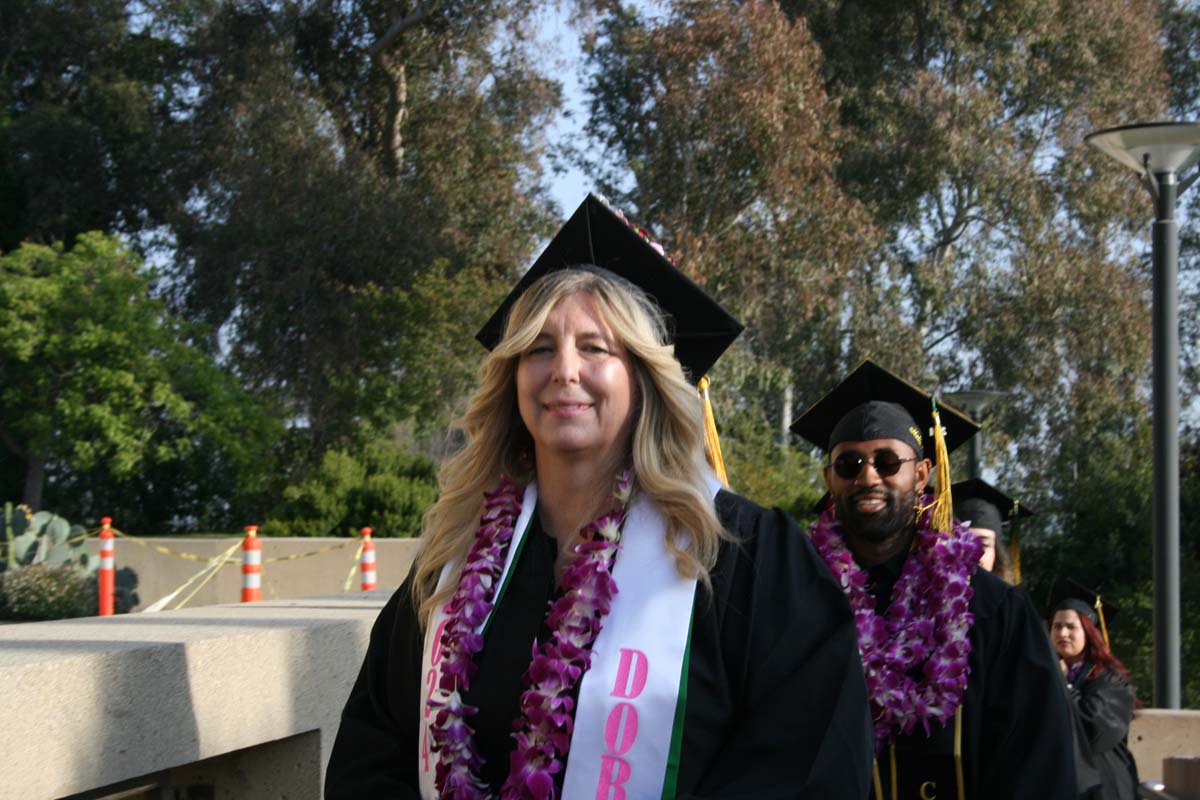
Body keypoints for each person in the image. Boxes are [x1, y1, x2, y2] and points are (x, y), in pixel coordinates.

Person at [325, 194, 872, 799]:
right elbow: (376, 748)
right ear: (512, 378)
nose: (563, 370)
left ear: (643, 377)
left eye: (595, 347)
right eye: (538, 348)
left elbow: (806, 757)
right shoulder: (454, 563)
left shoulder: (743, 554)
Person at [790, 359, 1077, 800]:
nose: (868, 476)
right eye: (849, 464)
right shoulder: (795, 604)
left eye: (888, 462)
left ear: (922, 474)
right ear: (830, 478)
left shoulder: (994, 610)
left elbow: (1039, 763)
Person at [1050, 579, 1139, 800]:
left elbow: (1096, 730)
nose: (1062, 633)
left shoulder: (1109, 679)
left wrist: (1064, 686)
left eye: (1071, 627)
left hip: (1103, 787)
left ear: (1089, 633)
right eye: (1057, 626)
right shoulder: (1044, 677)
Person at [950, 478, 1032, 583]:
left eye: (984, 544)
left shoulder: (1010, 599)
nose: (973, 554)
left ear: (997, 555)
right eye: (963, 542)